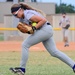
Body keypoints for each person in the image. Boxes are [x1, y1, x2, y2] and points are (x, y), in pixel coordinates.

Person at [10, 3, 75, 75]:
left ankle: (22, 68)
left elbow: (43, 20)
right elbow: (31, 28)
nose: (15, 16)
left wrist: (34, 28)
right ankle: (74, 66)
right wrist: (29, 29)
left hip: (45, 30)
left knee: (25, 45)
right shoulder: (22, 18)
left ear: (20, 10)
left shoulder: (27, 14)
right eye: (14, 15)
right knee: (54, 52)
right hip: (45, 30)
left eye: (16, 14)